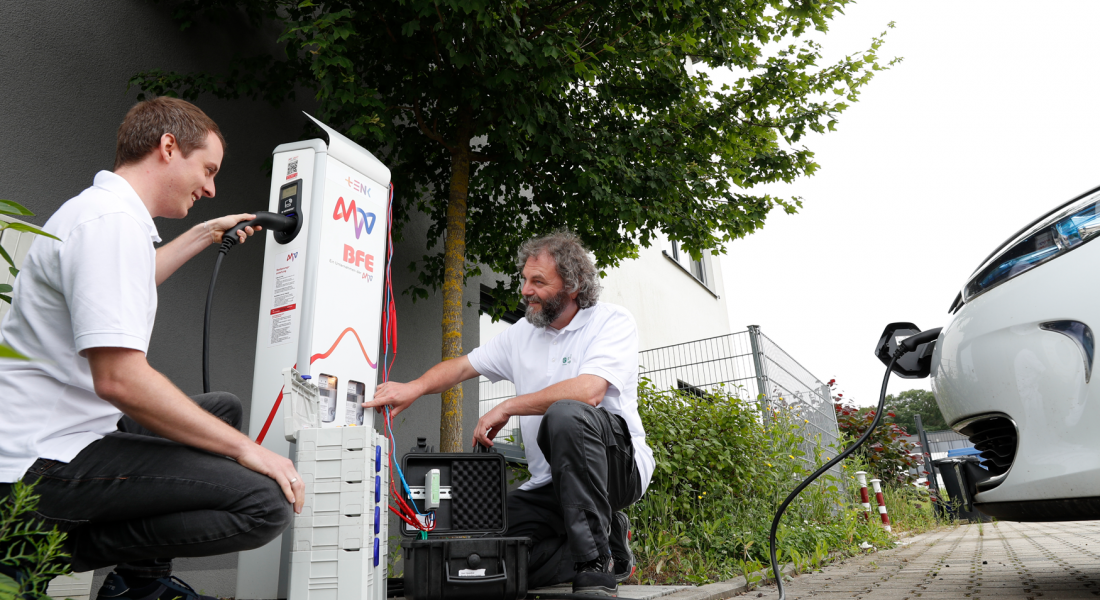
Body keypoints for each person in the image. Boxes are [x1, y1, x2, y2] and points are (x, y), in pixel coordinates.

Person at [0, 97, 304, 600]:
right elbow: (119, 380)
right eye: (207, 169)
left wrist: (208, 233)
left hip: (67, 431)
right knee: (263, 503)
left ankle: (140, 584)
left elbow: (137, 279)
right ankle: (33, 553)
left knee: (220, 410)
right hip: (38, 463)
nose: (210, 187)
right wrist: (251, 452)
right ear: (168, 148)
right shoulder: (109, 225)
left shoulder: (108, 217)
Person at [366, 231, 654, 597]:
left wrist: (508, 405)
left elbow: (588, 392)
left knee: (566, 415)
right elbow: (461, 367)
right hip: (549, 484)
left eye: (538, 282)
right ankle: (607, 542)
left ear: (572, 286)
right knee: (489, 556)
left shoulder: (612, 322)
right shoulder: (522, 334)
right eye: (524, 279)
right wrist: (414, 387)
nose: (525, 290)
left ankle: (594, 568)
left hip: (615, 470)